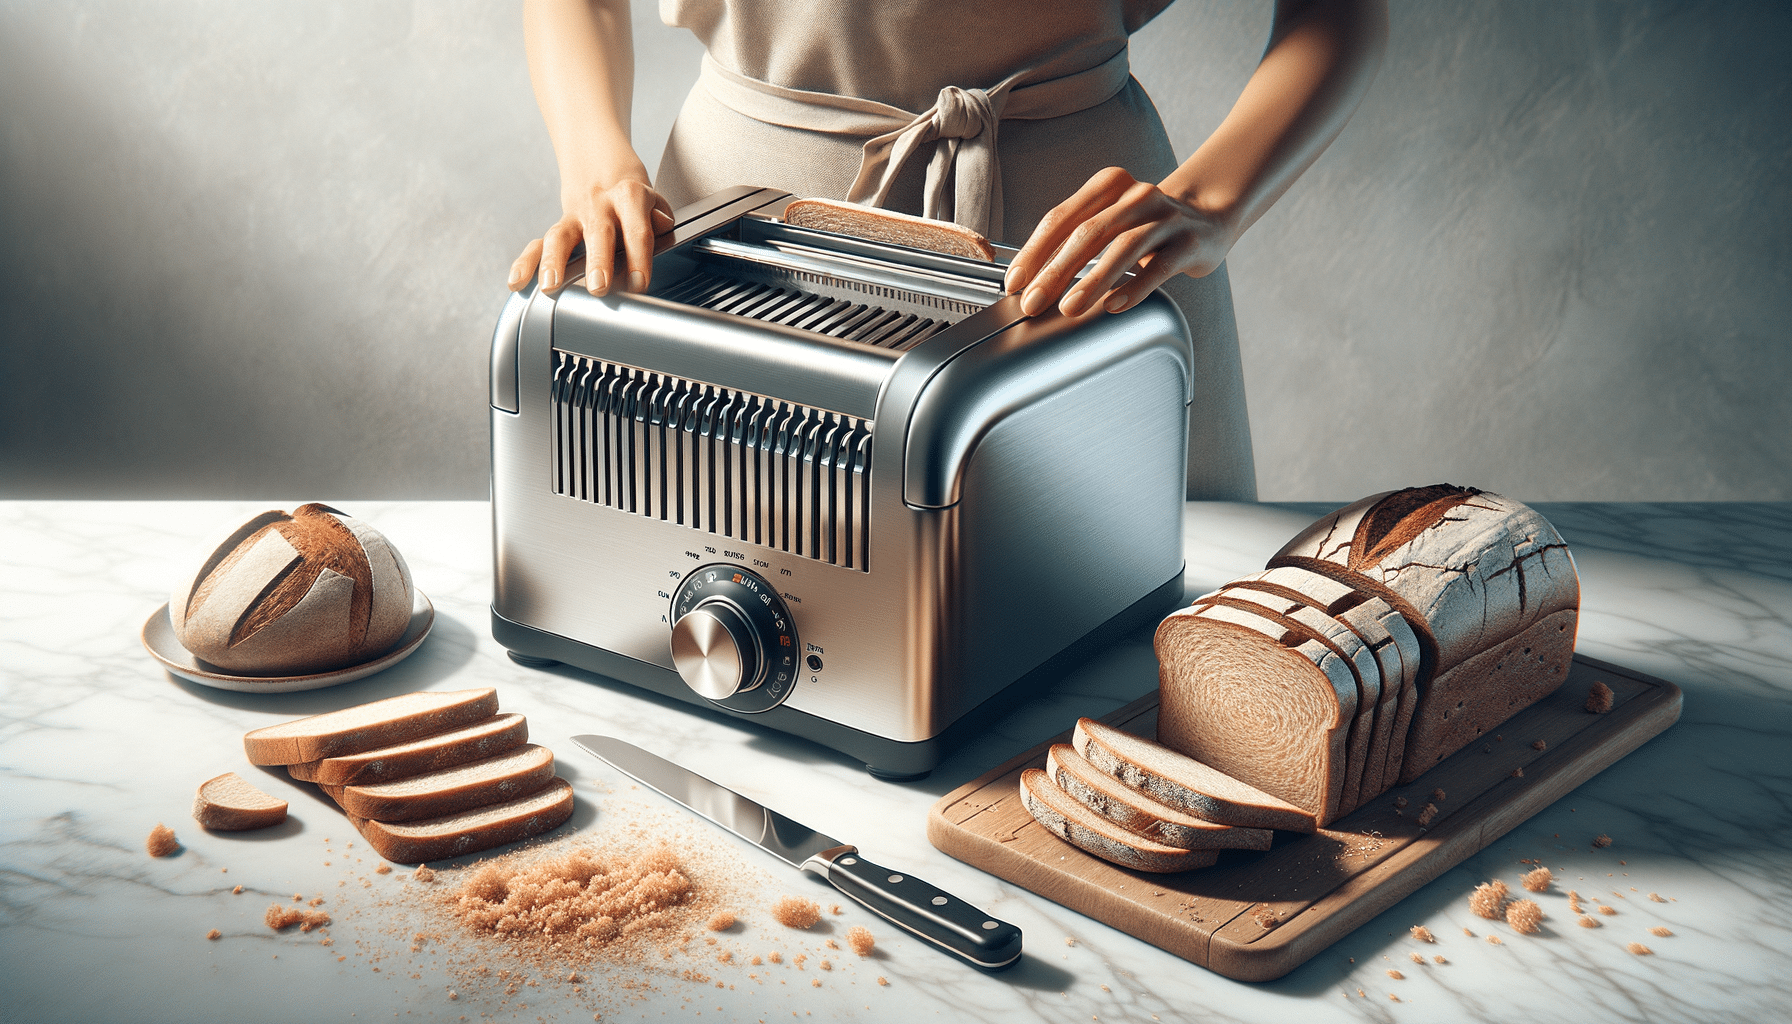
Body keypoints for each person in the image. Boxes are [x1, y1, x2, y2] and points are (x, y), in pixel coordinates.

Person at [509, 0, 1386, 501]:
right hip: (745, 230)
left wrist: (1210, 199)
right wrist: (593, 163)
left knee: (1156, 671)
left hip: (1085, 257)